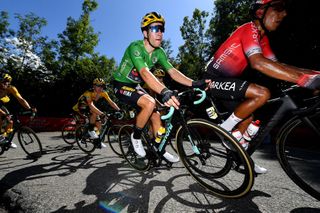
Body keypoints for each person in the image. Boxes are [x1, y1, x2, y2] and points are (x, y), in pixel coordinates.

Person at [203, 0, 320, 174]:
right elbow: (258, 62)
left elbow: (278, 65)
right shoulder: (249, 29)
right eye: (279, 9)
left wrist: (313, 73)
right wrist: (303, 79)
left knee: (248, 118)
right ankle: (224, 130)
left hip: (229, 82)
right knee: (261, 94)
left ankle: (241, 158)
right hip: (211, 80)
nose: (284, 14)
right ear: (260, 12)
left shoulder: (262, 39)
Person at [113, 12, 209, 162]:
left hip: (135, 86)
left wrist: (194, 83)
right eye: (155, 29)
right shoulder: (135, 47)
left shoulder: (159, 52)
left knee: (156, 114)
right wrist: (164, 91)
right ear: (145, 32)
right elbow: (144, 73)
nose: (160, 33)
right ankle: (136, 135)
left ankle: (160, 148)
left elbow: (172, 72)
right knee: (150, 102)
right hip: (120, 85)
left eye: (161, 29)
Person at [72, 78, 121, 148]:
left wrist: (119, 110)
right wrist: (102, 114)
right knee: (94, 113)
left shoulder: (103, 93)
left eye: (102, 86)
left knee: (99, 124)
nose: (100, 88)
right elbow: (91, 105)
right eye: (98, 86)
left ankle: (97, 141)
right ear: (94, 86)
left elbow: (111, 102)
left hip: (90, 107)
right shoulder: (88, 92)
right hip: (81, 106)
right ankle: (88, 131)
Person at [0, 72, 37, 148]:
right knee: (3, 116)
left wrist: (29, 108)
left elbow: (21, 99)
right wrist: (4, 114)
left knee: (10, 121)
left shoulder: (11, 88)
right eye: (2, 82)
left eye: (6, 82)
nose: (4, 84)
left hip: (2, 102)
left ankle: (7, 140)